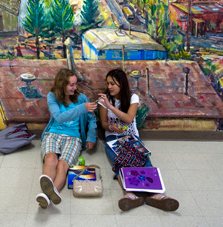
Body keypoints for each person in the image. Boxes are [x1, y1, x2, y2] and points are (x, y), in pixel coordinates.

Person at [98, 68, 179, 212]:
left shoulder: (132, 97)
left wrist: (110, 106)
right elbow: (104, 123)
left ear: (121, 84)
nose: (109, 86)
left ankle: (157, 195)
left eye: (113, 84)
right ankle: (129, 196)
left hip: (130, 136)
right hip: (112, 137)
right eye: (108, 83)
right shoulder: (104, 99)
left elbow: (129, 119)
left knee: (143, 159)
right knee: (121, 162)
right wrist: (111, 126)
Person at [36, 68, 98, 209]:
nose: (75, 88)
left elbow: (92, 119)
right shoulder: (52, 96)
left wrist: (91, 137)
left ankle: (46, 195)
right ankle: (47, 194)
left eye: (75, 84)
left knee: (62, 165)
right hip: (53, 134)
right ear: (62, 84)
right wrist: (82, 108)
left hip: (74, 137)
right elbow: (59, 117)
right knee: (50, 159)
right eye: (71, 85)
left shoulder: (82, 99)